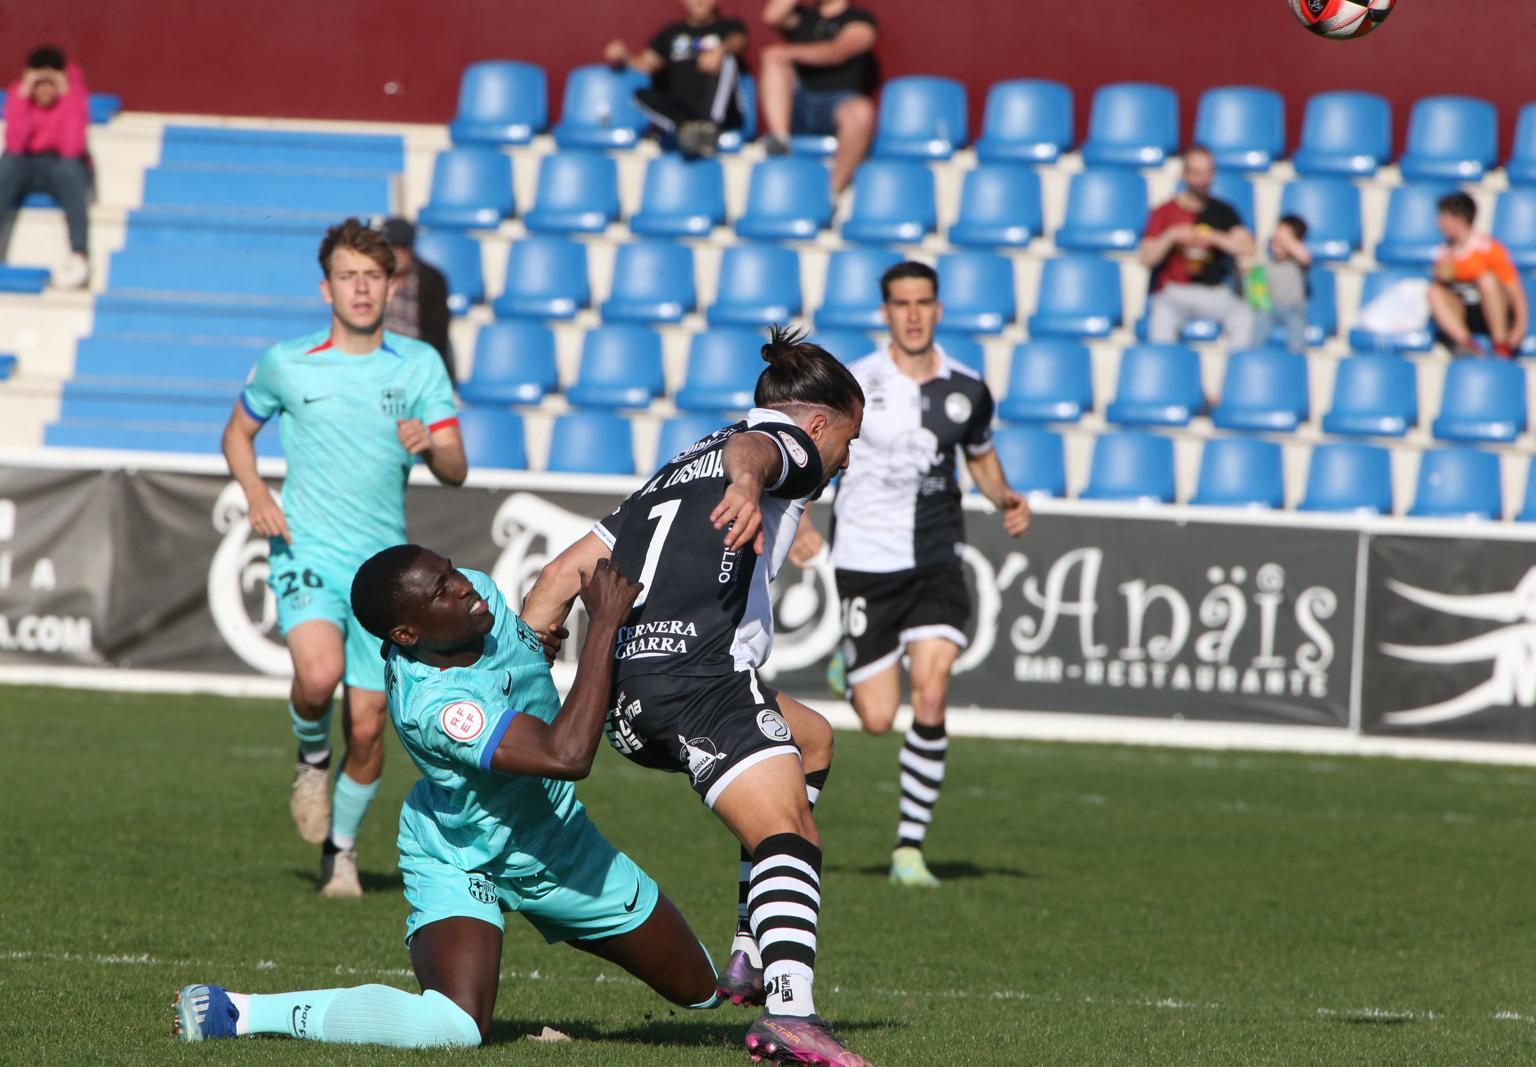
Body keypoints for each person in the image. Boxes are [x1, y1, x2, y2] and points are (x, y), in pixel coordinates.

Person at [174, 548, 723, 1047]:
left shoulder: (473, 600)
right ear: (408, 635)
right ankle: (237, 1011)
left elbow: (522, 651)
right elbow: (567, 756)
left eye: (450, 570)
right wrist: (602, 625)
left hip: (557, 841)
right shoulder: (436, 708)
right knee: (454, 1027)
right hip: (461, 854)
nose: (464, 587)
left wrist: (538, 646)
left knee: (703, 993)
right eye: (441, 590)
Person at [521, 327, 875, 1067]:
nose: (845, 458)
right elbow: (764, 450)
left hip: (627, 700)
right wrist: (751, 482)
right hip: (702, 679)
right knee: (792, 834)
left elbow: (556, 579)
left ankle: (749, 948)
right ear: (819, 423)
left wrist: (527, 659)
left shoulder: (677, 467)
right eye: (849, 438)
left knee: (809, 738)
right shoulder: (781, 446)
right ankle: (792, 1013)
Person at [220, 219, 466, 899]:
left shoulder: (418, 366)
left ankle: (342, 851)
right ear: (326, 287)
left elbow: (457, 465)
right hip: (305, 548)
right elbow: (237, 434)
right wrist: (255, 492)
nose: (361, 288)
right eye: (349, 276)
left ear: (393, 285)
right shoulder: (287, 362)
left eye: (374, 276)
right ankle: (308, 754)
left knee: (368, 725)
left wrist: (430, 445)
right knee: (317, 674)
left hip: (382, 571)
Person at [791, 261, 1030, 889]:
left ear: (939, 309)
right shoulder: (856, 384)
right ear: (886, 312)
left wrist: (1005, 496)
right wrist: (800, 518)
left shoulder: (967, 386)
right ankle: (852, 665)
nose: (915, 314)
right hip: (866, 564)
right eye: (902, 303)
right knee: (876, 718)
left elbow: (979, 458)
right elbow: (812, 450)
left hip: (936, 557)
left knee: (931, 692)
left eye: (925, 301)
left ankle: (908, 850)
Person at [0, 46, 92, 288]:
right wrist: (24, 98)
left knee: (69, 168)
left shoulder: (73, 97)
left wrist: (65, 97)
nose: (44, 90)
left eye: (50, 83)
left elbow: (72, 147)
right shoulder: (19, 94)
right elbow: (15, 144)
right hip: (27, 165)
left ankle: (79, 255)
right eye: (39, 83)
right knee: (10, 162)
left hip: (61, 166)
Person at [1139, 145, 1256, 349]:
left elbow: (1247, 247)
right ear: (1184, 174)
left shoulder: (1223, 212)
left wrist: (1215, 238)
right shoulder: (1164, 212)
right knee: (1161, 318)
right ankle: (1165, 375)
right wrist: (1171, 236)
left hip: (1214, 292)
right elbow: (1146, 258)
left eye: (1208, 172)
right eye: (1197, 173)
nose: (1203, 179)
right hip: (1174, 291)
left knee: (1244, 316)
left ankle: (1235, 375)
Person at [758, 0, 878, 197]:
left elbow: (838, 51)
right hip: (798, 104)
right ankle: (780, 141)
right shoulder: (805, 18)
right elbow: (771, 16)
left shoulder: (860, 20)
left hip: (835, 105)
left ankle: (831, 194)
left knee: (861, 111)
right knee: (772, 60)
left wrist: (789, 52)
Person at [605, 0, 747, 158]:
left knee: (728, 61)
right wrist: (624, 56)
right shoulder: (672, 32)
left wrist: (721, 50)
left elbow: (738, 42)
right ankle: (687, 130)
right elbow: (645, 65)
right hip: (684, 111)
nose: (699, 2)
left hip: (719, 114)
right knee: (640, 94)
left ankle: (708, 129)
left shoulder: (729, 28)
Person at [1428, 191, 1529, 357]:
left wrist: (1520, 326)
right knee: (1434, 292)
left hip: (1493, 310)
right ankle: (1466, 344)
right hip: (1466, 312)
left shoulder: (1489, 249)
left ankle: (1500, 343)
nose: (1439, 223)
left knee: (1486, 280)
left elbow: (1515, 290)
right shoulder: (1445, 252)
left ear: (1458, 219)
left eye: (1443, 218)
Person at [379, 217, 454, 382]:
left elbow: (436, 335)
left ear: (411, 249)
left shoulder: (432, 280)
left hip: (419, 367)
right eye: (391, 248)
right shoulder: (373, 279)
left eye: (401, 248)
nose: (396, 255)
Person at [1249, 214, 1313, 354]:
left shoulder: (1297, 263)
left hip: (1294, 309)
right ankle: (1254, 352)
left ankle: (1296, 356)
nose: (1277, 244)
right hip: (1270, 307)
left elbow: (1305, 257)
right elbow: (1256, 287)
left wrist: (1286, 241)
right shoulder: (1267, 263)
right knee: (1259, 321)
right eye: (1275, 240)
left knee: (1297, 330)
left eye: (1283, 241)